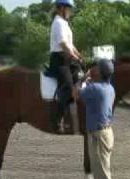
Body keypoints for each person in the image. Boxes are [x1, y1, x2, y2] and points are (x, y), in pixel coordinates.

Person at [48, 0, 83, 133]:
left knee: (82, 79)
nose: (71, 12)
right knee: (68, 88)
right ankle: (57, 121)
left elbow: (70, 44)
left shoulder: (65, 23)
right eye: (69, 9)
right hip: (59, 60)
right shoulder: (57, 22)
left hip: (68, 59)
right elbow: (63, 44)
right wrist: (74, 57)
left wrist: (79, 56)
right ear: (61, 8)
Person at [79, 59, 115, 179]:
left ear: (100, 73)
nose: (94, 69)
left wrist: (83, 78)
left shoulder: (94, 88)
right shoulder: (110, 88)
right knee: (100, 170)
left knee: (103, 174)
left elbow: (75, 93)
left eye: (97, 68)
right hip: (105, 133)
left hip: (98, 135)